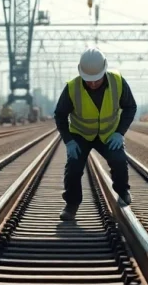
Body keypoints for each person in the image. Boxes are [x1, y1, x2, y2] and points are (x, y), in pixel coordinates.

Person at [53, 47, 138, 221]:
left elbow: (130, 107)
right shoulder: (72, 87)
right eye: (88, 80)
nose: (92, 84)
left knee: (119, 160)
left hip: (109, 134)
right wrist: (68, 141)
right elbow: (60, 115)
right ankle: (71, 205)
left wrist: (120, 133)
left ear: (105, 70)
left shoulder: (118, 82)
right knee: (74, 168)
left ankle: (123, 190)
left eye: (96, 80)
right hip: (81, 134)